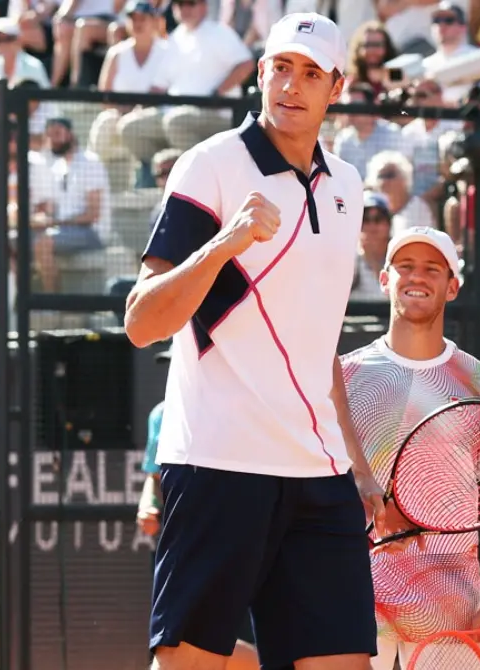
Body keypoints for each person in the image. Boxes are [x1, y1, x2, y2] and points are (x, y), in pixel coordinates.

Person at [123, 13, 383, 670]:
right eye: (280, 68)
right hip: (217, 462)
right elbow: (142, 321)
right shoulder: (208, 164)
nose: (291, 85)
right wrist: (224, 243)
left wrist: (356, 463)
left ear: (336, 87)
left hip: (319, 475)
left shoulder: (349, 187)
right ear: (261, 73)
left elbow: (316, 338)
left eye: (310, 73)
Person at [339, 226, 480, 670]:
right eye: (406, 266)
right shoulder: (341, 377)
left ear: (452, 286)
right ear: (385, 279)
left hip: (451, 602)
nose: (417, 277)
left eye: (432, 269)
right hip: (351, 592)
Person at [136, 347, 262, 670]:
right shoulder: (161, 415)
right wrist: (148, 506)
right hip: (181, 545)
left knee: (233, 641)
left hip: (237, 544)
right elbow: (154, 476)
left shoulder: (238, 410)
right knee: (173, 643)